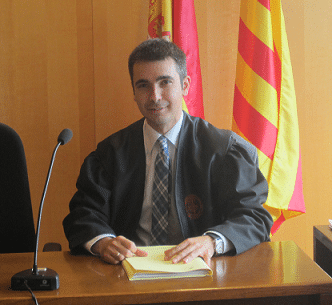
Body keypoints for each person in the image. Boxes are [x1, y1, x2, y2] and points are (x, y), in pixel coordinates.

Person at [63, 38, 273, 267]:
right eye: (143, 85)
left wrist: (211, 242)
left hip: (202, 276)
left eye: (165, 82)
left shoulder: (223, 150)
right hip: (128, 274)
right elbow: (83, 214)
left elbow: (254, 216)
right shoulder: (109, 154)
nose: (155, 96)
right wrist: (103, 242)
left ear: (185, 85)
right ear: (133, 91)